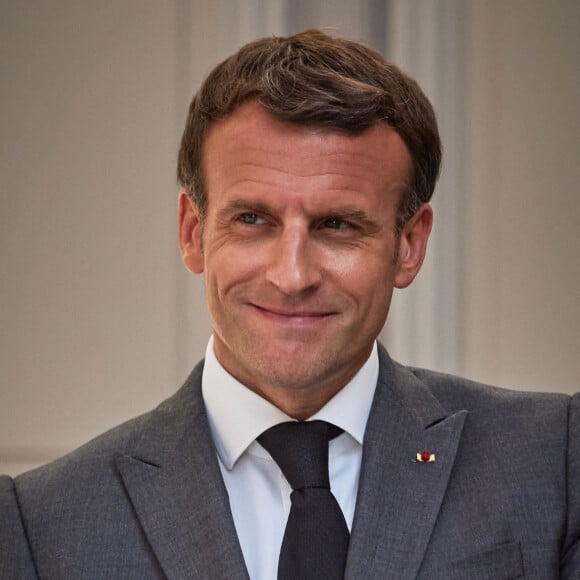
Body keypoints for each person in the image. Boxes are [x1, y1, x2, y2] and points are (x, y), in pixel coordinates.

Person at [1, 29, 578, 580]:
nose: (292, 274)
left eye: (337, 224)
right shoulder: (40, 525)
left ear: (409, 244)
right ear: (192, 232)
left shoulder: (552, 462)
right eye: (252, 220)